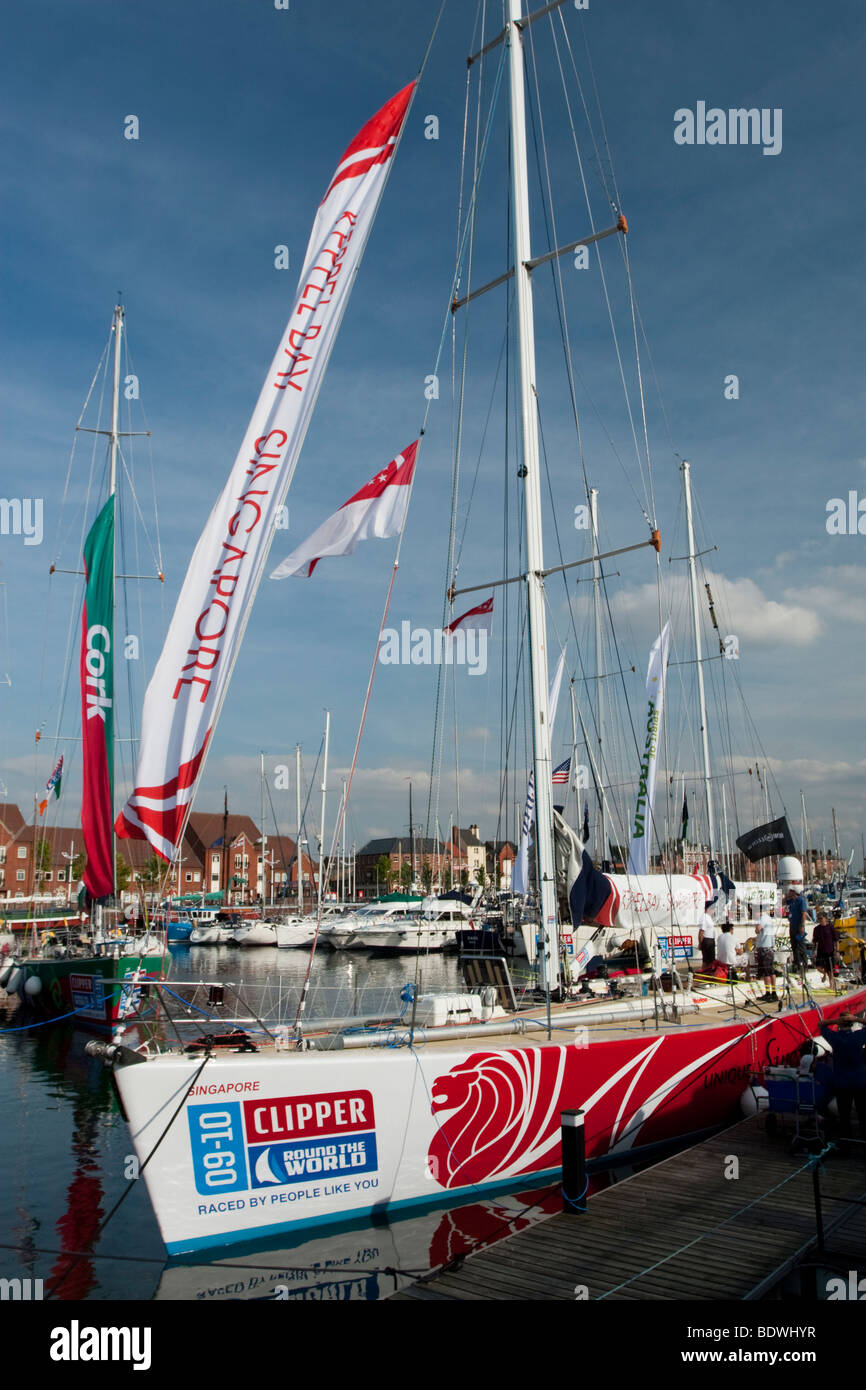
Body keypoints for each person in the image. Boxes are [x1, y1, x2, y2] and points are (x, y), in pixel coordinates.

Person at [819, 1011, 866, 1143]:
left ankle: (846, 1143)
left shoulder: (834, 1038)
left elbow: (820, 1024)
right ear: (852, 1023)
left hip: (842, 1082)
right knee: (863, 1114)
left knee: (844, 1116)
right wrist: (856, 1018)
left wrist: (834, 1021)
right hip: (860, 1082)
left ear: (839, 1025)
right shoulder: (859, 1036)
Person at [755, 906, 778, 1001]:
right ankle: (773, 992)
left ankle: (769, 993)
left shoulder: (762, 918)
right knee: (771, 970)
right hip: (769, 947)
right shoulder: (768, 918)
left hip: (764, 948)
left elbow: (758, 929)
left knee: (766, 972)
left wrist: (756, 929)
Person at [813, 911, 838, 986]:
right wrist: (814, 951)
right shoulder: (816, 929)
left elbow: (836, 940)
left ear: (825, 919)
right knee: (818, 967)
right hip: (820, 950)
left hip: (829, 950)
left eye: (821, 918)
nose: (820, 920)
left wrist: (837, 951)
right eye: (819, 919)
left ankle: (831, 984)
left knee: (830, 969)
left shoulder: (830, 927)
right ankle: (824, 974)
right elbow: (815, 941)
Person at [787, 887, 809, 972]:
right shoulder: (792, 901)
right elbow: (783, 902)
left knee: (801, 946)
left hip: (798, 925)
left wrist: (802, 925)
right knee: (794, 946)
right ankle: (797, 964)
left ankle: (804, 965)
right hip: (792, 925)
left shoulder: (801, 900)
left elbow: (804, 913)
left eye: (791, 891)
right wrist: (787, 896)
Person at [698, 905, 717, 970]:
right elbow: (701, 932)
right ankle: (703, 973)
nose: (713, 910)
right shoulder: (704, 917)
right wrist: (700, 943)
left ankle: (708, 973)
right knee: (706, 961)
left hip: (710, 940)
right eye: (712, 909)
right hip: (707, 940)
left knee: (711, 960)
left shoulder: (709, 917)